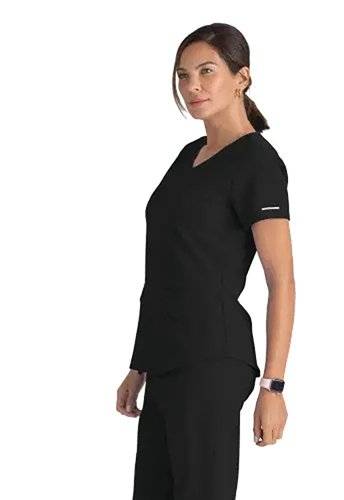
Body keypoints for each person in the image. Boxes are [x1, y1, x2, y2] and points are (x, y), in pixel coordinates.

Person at [116, 22, 295, 499]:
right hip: (166, 358)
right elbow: (166, 269)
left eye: (206, 71)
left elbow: (281, 280)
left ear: (242, 78)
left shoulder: (258, 164)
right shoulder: (189, 156)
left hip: (211, 359)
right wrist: (140, 364)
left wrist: (274, 386)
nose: (191, 85)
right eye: (183, 75)